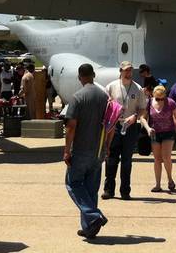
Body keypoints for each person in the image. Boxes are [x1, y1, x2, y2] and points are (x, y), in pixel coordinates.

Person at [64, 63, 111, 239]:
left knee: (73, 184)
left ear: (79, 77)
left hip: (81, 150)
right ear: (93, 75)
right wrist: (107, 146)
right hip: (98, 151)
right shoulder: (105, 97)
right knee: (91, 189)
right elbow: (110, 125)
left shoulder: (77, 97)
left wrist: (66, 150)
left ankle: (93, 215)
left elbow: (71, 127)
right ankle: (89, 228)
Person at [102, 61, 147, 200]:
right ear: (120, 71)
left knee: (127, 160)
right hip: (115, 126)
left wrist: (135, 117)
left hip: (130, 126)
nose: (128, 72)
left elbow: (142, 109)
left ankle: (125, 191)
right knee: (111, 158)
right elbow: (103, 104)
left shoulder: (137, 88)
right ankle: (109, 190)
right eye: (126, 70)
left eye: (130, 70)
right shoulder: (111, 86)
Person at [145, 84, 176, 192]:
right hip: (154, 133)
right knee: (157, 159)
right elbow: (143, 117)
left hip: (168, 132)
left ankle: (170, 179)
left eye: (162, 98)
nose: (160, 101)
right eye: (157, 98)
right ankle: (157, 184)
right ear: (153, 96)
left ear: (165, 96)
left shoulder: (171, 103)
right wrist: (148, 128)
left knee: (166, 157)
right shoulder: (149, 103)